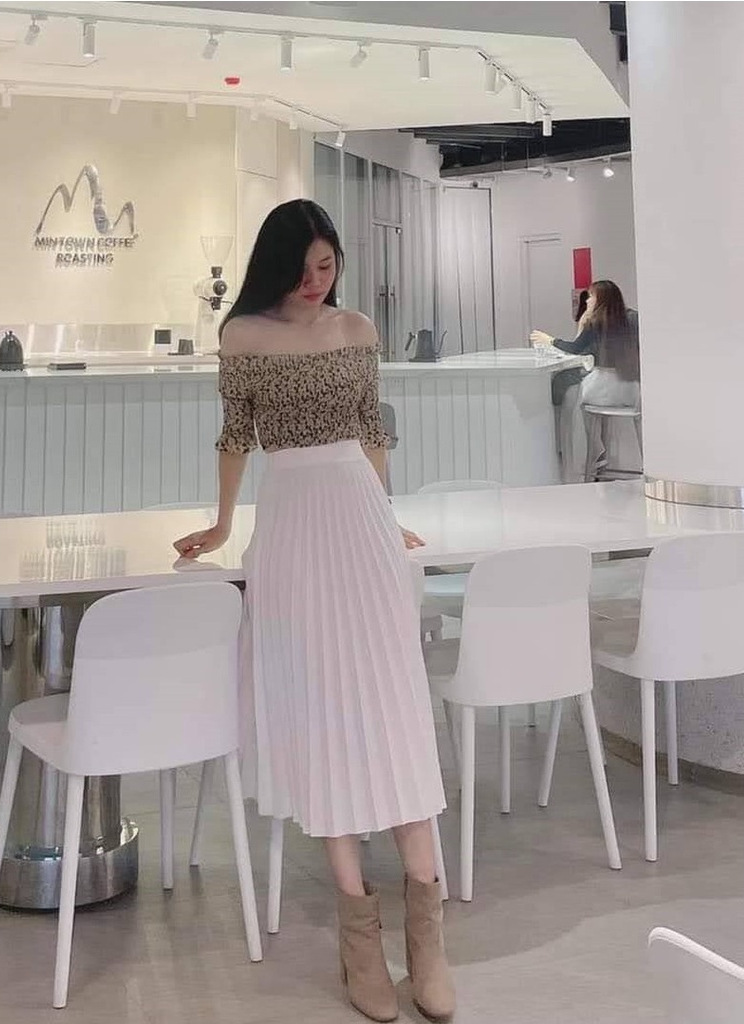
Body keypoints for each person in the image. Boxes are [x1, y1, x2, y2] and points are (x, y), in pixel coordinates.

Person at [173, 199, 454, 1024]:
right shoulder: (243, 335)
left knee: (394, 712)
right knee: (322, 714)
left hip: (360, 520)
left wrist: (385, 514)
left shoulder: (357, 329)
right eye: (301, 270)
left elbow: (370, 432)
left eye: (325, 267)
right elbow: (236, 435)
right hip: (291, 523)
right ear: (274, 267)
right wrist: (222, 524)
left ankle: (428, 938)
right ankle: (358, 937)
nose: (314, 283)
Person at [530, 279, 640, 480]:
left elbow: (575, 348)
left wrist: (550, 340)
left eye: (590, 297)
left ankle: (592, 454)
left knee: (576, 398)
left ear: (601, 299)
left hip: (603, 390)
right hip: (633, 391)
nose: (587, 301)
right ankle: (599, 454)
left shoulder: (596, 322)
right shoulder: (634, 318)